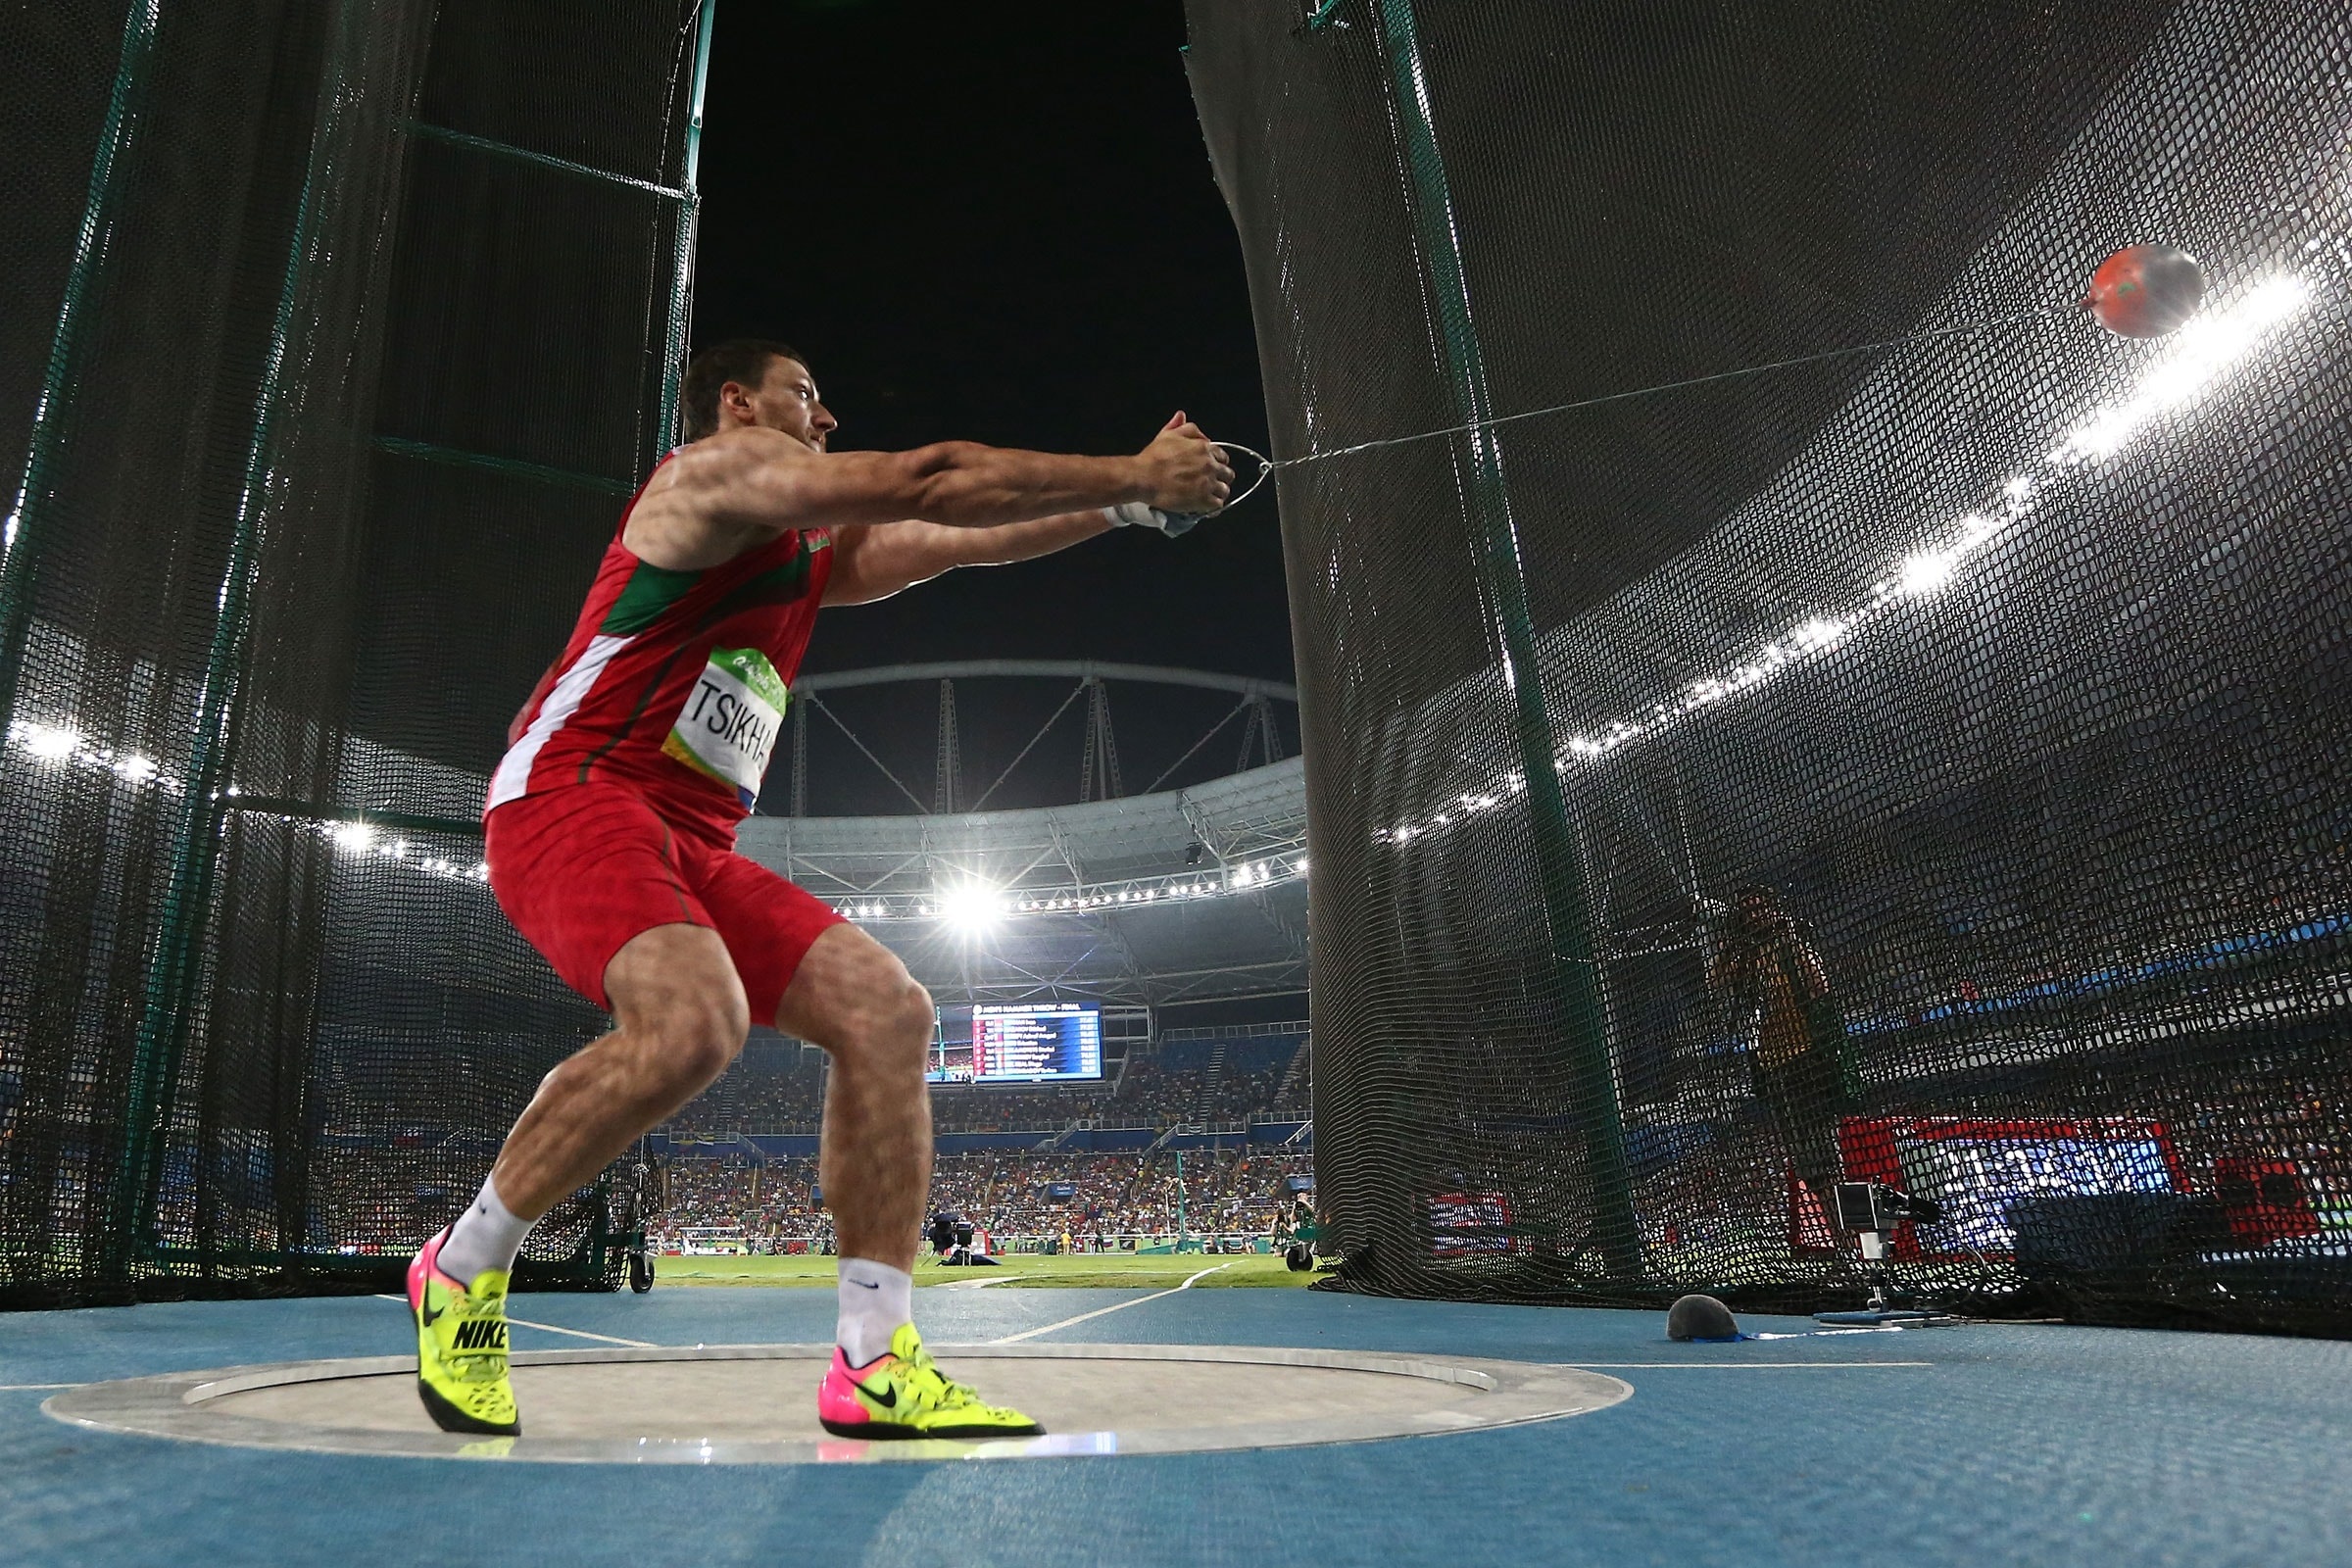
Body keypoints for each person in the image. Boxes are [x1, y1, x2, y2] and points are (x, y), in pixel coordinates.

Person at [405, 339, 1231, 1439]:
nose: (829, 416)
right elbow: (929, 474)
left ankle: (874, 1358)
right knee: (698, 1023)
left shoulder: (799, 555)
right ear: (738, 404)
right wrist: (1128, 472)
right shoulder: (704, 480)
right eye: (808, 395)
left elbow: (948, 540)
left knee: (889, 1011)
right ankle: (461, 1267)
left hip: (691, 837)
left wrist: (1127, 510)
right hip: (575, 793)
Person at [1707, 885, 1854, 1215]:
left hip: (1808, 1060)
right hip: (1776, 1065)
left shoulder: (1792, 943)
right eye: (1748, 912)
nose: (1756, 916)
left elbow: (1820, 986)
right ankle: (1852, 1251)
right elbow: (1715, 979)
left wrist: (1790, 942)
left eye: (1761, 908)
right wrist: (1728, 941)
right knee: (1812, 1169)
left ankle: (1865, 1253)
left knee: (1829, 1162)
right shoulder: (1749, 956)